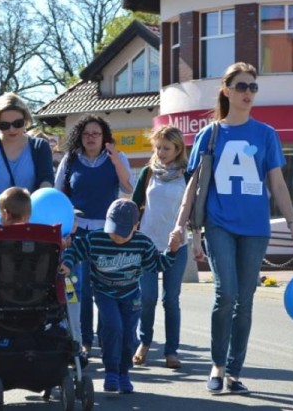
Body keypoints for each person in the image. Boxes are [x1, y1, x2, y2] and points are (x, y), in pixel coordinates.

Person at [172, 61, 293, 395]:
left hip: (255, 228)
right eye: (242, 87)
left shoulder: (266, 134)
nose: (249, 93)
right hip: (220, 225)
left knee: (245, 301)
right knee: (226, 294)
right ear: (227, 91)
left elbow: (277, 184)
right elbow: (195, 187)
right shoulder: (210, 133)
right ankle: (217, 366)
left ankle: (233, 371)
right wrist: (182, 227)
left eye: (253, 87)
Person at [59, 198, 181, 394]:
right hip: (104, 292)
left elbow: (158, 264)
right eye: (113, 229)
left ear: (136, 226)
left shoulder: (142, 243)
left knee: (128, 335)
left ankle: (124, 372)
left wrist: (172, 251)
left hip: (131, 294)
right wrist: (67, 262)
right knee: (113, 327)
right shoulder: (96, 238)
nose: (116, 236)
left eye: (123, 232)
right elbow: (75, 250)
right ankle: (111, 371)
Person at [54, 114, 134, 357]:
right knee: (80, 289)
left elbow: (128, 188)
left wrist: (115, 161)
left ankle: (107, 338)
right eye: (86, 133)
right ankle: (84, 340)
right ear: (80, 136)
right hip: (77, 231)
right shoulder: (70, 160)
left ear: (104, 137)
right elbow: (58, 194)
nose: (91, 138)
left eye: (96, 134)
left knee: (105, 287)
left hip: (105, 233)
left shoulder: (117, 158)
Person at [131, 126, 190, 369]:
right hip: (147, 244)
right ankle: (144, 342)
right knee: (147, 297)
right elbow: (134, 206)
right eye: (158, 147)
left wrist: (196, 241)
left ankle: (171, 351)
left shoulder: (187, 174)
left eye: (167, 148)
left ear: (178, 149)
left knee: (170, 300)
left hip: (177, 245)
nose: (161, 152)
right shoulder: (148, 173)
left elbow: (193, 211)